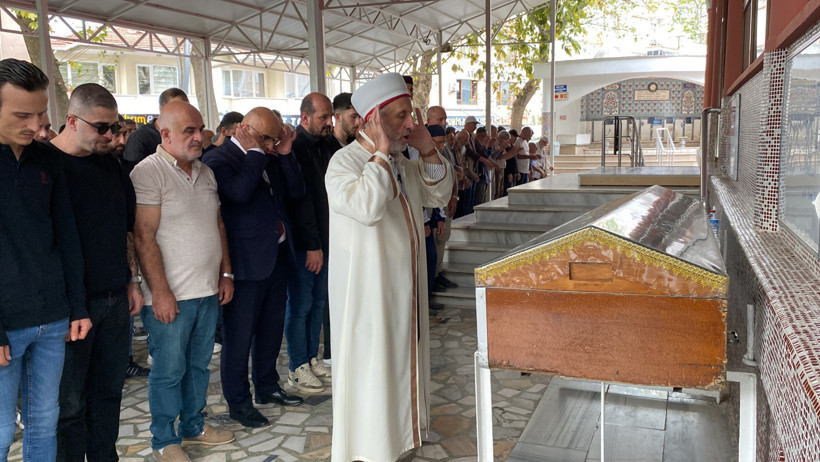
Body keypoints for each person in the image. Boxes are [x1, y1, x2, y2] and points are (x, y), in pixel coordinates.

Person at [325, 72, 453, 462]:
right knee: (375, 371)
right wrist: (380, 152)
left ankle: (402, 438)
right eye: (400, 117)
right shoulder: (343, 162)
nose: (410, 124)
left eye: (409, 114)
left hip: (406, 288)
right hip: (371, 296)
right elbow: (365, 207)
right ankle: (375, 448)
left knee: (403, 365)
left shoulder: (400, 160)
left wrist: (428, 148)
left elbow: (439, 191)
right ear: (373, 119)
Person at [130, 100, 235, 462]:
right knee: (169, 370)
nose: (198, 136)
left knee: (198, 366)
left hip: (207, 290)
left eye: (200, 128)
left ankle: (193, 425)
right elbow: (143, 235)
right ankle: (163, 439)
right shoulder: (148, 172)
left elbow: (217, 226)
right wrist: (159, 292)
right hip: (170, 296)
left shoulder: (205, 172)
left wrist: (225, 272)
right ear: (166, 134)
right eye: (188, 130)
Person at [0, 58, 90, 461]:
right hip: (5, 324)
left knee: (44, 421)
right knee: (2, 428)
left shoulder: (47, 159)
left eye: (40, 114)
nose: (36, 125)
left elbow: (68, 237)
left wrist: (77, 306)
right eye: (22, 115)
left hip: (53, 317)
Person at [48, 83, 142, 462]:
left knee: (109, 393)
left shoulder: (109, 163)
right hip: (70, 304)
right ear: (72, 120)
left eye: (115, 127)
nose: (112, 136)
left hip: (114, 298)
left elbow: (125, 228)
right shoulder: (46, 163)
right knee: (69, 404)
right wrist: (72, 307)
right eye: (102, 127)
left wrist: (132, 280)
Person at [201, 107, 305, 429]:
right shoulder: (219, 160)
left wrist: (284, 154)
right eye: (265, 138)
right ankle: (239, 401)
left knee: (272, 329)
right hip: (244, 264)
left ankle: (267, 385)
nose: (271, 146)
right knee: (239, 337)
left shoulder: (269, 155)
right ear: (243, 129)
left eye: (274, 140)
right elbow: (238, 194)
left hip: (275, 257)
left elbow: (296, 191)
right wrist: (257, 152)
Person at [285, 93, 335, 393]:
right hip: (306, 245)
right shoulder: (297, 147)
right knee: (300, 305)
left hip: (326, 239)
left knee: (318, 303)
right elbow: (302, 202)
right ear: (305, 118)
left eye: (330, 117)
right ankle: (296, 365)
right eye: (323, 117)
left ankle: (312, 357)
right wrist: (313, 245)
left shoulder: (326, 146)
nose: (329, 122)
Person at [123, 88, 188, 167]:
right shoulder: (140, 136)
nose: (182, 112)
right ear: (162, 109)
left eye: (187, 108)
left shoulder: (184, 136)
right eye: (176, 108)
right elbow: (134, 173)